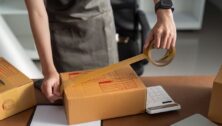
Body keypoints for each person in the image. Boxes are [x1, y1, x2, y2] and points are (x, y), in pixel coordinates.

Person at [25, 0, 176, 103]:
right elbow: (37, 12)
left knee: (107, 96)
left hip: (99, 28)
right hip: (61, 33)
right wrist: (49, 71)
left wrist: (165, 12)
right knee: (69, 99)